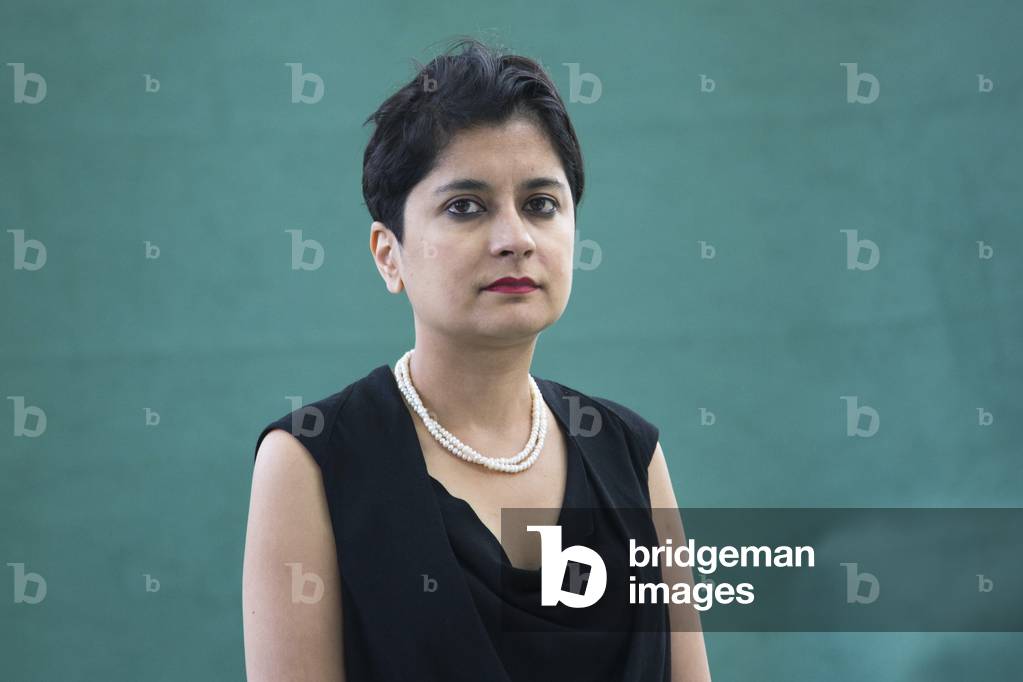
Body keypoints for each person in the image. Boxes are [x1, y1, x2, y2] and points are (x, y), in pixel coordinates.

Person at [243, 36, 712, 681]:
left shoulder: (630, 454)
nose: (515, 238)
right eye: (466, 207)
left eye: (541, 205)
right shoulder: (313, 462)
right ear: (388, 254)